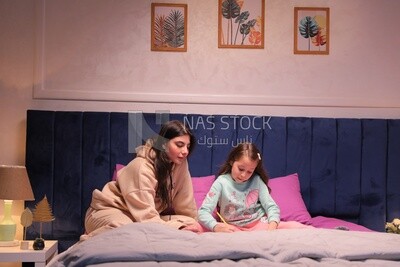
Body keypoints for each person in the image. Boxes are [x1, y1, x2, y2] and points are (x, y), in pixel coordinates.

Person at [84, 120, 199, 238]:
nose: (185, 151)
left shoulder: (180, 163)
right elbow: (147, 218)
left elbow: (185, 203)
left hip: (140, 217)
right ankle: (85, 243)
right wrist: (176, 228)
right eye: (179, 145)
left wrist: (194, 226)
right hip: (110, 211)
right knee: (128, 231)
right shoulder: (141, 167)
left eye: (188, 146)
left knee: (189, 222)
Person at [198, 143, 312, 233]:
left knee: (295, 227)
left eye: (249, 172)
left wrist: (272, 225)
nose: (243, 175)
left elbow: (271, 206)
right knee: (197, 228)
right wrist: (215, 226)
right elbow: (203, 212)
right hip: (233, 228)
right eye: (241, 169)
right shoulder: (221, 183)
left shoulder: (256, 180)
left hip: (260, 224)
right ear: (232, 161)